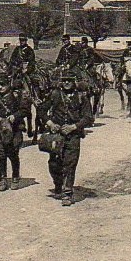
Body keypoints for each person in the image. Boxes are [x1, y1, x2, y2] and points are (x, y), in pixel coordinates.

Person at [40, 74, 94, 206]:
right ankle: (58, 185)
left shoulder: (82, 97)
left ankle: (67, 193)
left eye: (70, 80)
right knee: (54, 164)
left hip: (73, 136)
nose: (67, 83)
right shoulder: (54, 94)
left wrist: (73, 127)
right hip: (56, 136)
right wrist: (51, 124)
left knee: (70, 164)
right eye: (64, 80)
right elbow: (41, 110)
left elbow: (88, 118)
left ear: (74, 81)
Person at [0, 81, 29, 191]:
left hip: (15, 130)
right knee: (1, 155)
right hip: (0, 131)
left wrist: (15, 115)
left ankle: (15, 177)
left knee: (13, 153)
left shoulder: (17, 96)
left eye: (3, 85)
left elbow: (25, 110)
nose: (0, 87)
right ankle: (2, 179)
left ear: (8, 84)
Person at [8, 33, 36, 98]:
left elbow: (32, 62)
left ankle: (32, 95)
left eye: (23, 40)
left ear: (26, 41)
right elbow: (12, 59)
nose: (21, 42)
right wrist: (13, 65)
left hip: (25, 70)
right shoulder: (17, 49)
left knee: (29, 81)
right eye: (20, 40)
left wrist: (27, 69)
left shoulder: (29, 50)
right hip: (17, 69)